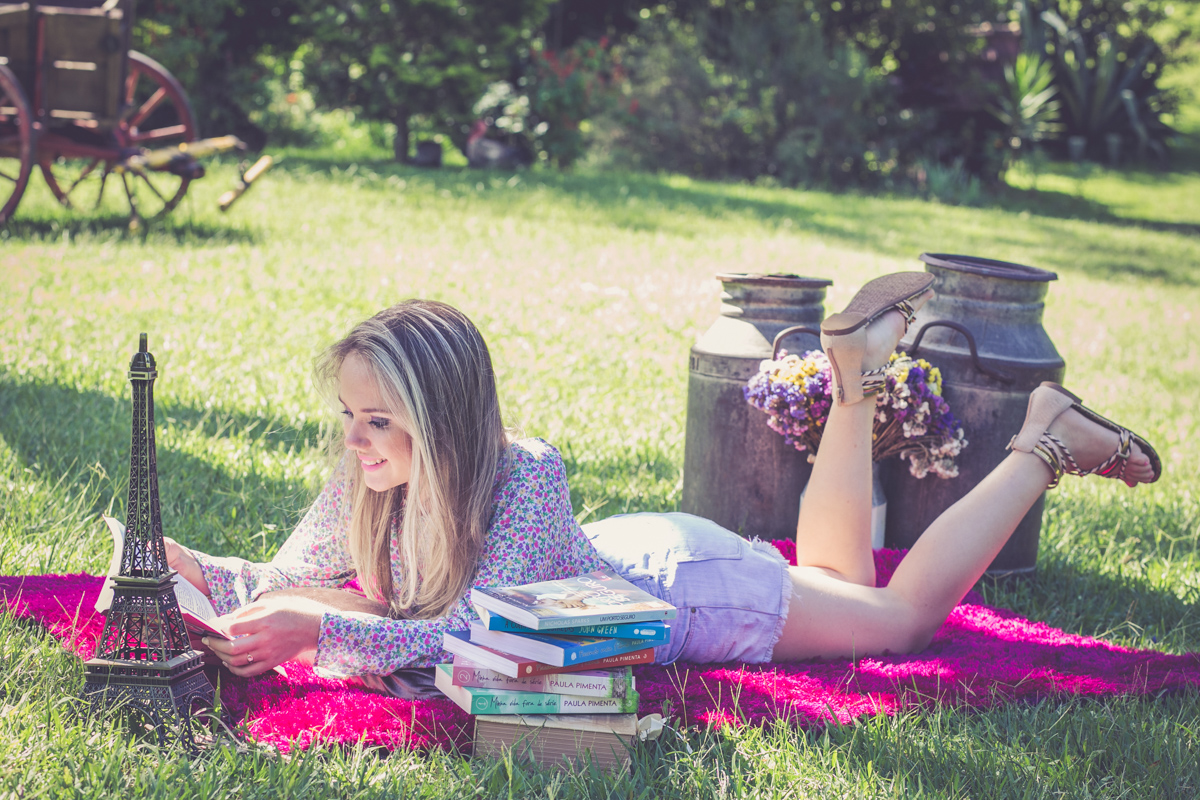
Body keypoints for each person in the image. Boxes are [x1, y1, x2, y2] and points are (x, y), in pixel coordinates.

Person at [166, 278, 1160, 679]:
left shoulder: (522, 473)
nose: (354, 439)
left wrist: (321, 629)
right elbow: (283, 577)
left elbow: (471, 633)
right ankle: (854, 377)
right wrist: (191, 567)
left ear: (444, 418)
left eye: (378, 420)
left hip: (689, 591)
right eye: (349, 415)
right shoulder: (370, 477)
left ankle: (1044, 441)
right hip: (627, 555)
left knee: (898, 620)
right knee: (840, 578)